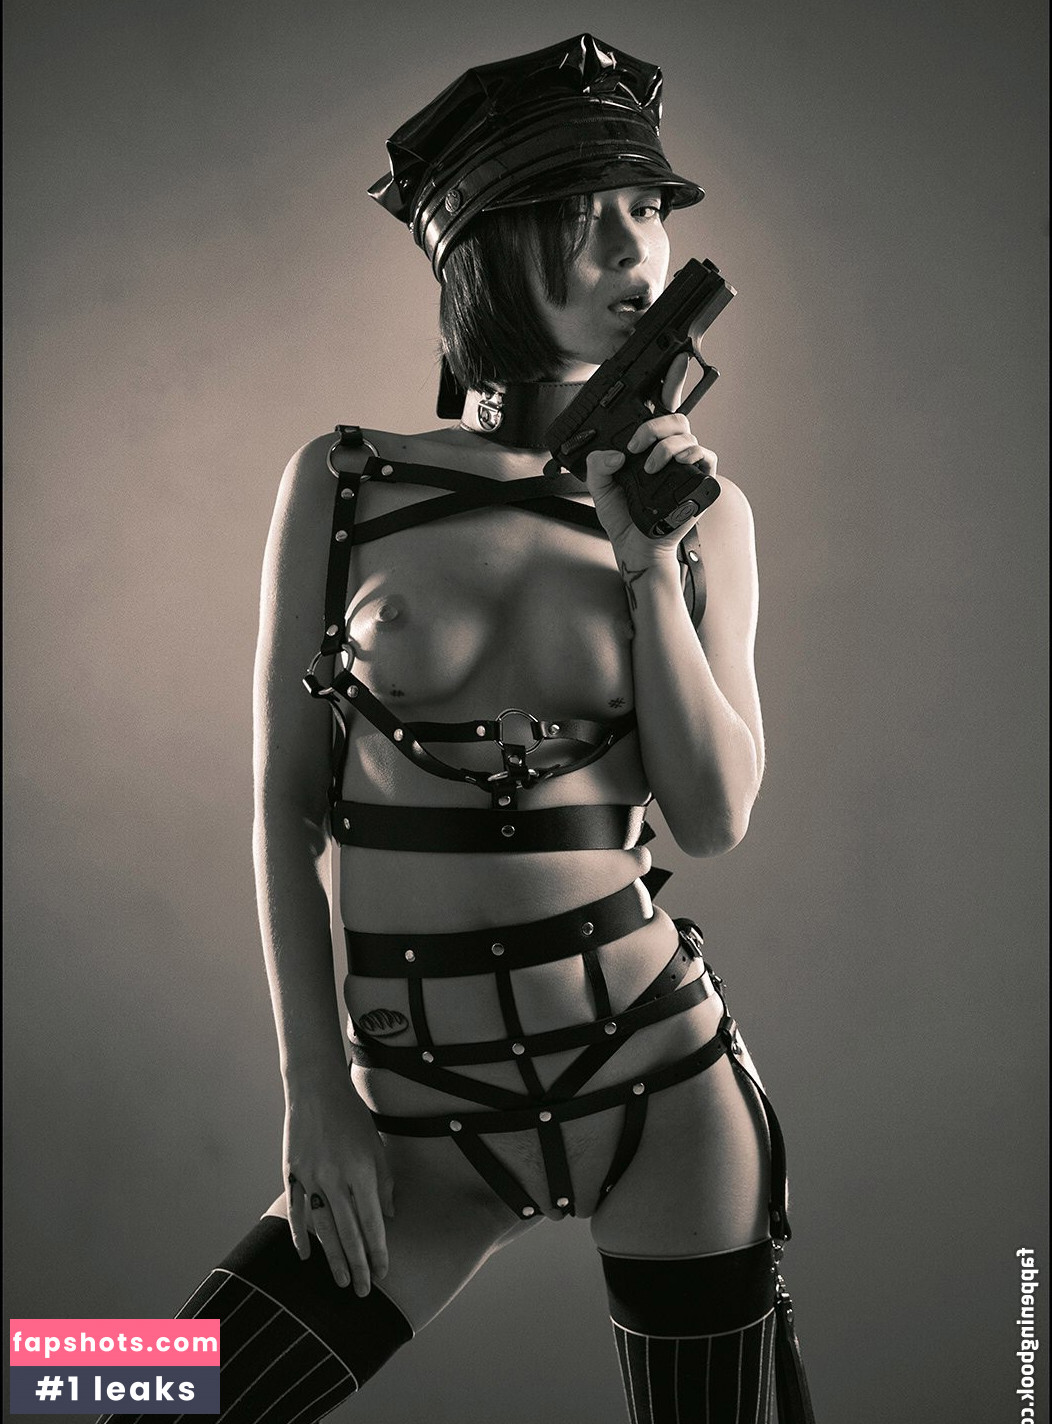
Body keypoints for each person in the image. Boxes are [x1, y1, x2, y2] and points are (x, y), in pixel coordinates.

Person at [100, 34, 814, 1424]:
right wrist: (316, 1094)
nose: (635, 247)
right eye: (584, 215)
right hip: (417, 1117)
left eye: (649, 210)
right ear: (487, 250)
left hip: (659, 1082)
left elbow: (717, 816)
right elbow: (286, 806)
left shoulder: (704, 515)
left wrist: (647, 561)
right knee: (125, 1398)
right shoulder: (346, 481)